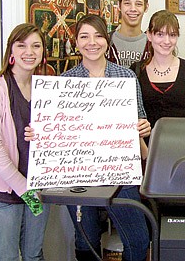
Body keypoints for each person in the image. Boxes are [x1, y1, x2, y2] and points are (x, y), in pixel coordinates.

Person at [62, 14, 150, 261]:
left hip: (121, 172)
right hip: (79, 174)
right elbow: (58, 131)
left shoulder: (126, 77)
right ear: (76, 42)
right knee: (86, 238)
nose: (92, 42)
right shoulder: (64, 82)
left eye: (98, 35)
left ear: (107, 40)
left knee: (139, 239)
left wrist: (143, 130)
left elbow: (140, 121)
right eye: (84, 36)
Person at [0, 23, 50, 260]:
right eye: (22, 45)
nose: (29, 52)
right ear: (11, 52)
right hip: (7, 193)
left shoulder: (45, 88)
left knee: (33, 254)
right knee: (6, 256)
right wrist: (23, 187)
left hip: (38, 189)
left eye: (36, 46)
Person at [130, 10, 185, 143]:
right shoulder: (135, 71)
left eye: (172, 35)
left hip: (182, 149)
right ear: (149, 35)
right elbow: (133, 119)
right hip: (145, 151)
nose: (167, 41)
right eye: (160, 34)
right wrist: (146, 153)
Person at [107, 0, 149, 68]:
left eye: (138, 4)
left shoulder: (152, 45)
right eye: (127, 3)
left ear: (146, 7)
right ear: (119, 6)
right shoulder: (106, 41)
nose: (133, 9)